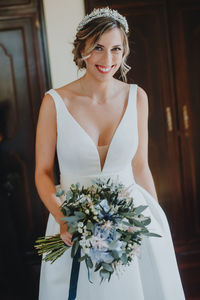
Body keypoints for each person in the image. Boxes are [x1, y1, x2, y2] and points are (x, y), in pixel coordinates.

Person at [35, 7, 185, 300]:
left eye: (116, 49)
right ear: (82, 49)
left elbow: (140, 166)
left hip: (132, 221)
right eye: (98, 48)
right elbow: (42, 172)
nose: (108, 60)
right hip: (72, 222)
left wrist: (156, 221)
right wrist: (63, 217)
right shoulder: (54, 102)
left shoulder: (137, 97)